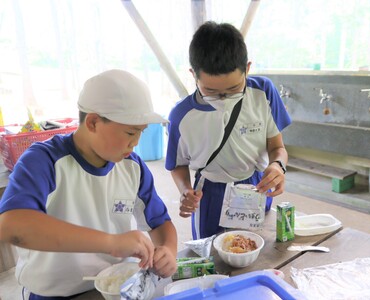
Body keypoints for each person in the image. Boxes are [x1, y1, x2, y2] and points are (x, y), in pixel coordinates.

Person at [0, 69, 177, 299]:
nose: (135, 143)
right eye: (130, 132)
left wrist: (169, 251)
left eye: (141, 132)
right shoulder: (44, 161)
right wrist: (111, 243)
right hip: (52, 294)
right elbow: (12, 226)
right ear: (93, 122)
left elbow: (161, 223)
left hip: (116, 287)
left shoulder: (132, 167)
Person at [165, 21, 291, 240]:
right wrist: (186, 191)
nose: (223, 99)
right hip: (210, 191)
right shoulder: (181, 116)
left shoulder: (263, 93)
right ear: (193, 75)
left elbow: (277, 147)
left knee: (256, 249)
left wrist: (278, 166)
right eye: (211, 91)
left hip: (256, 185)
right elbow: (177, 166)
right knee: (211, 256)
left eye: (233, 89)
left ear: (247, 69)